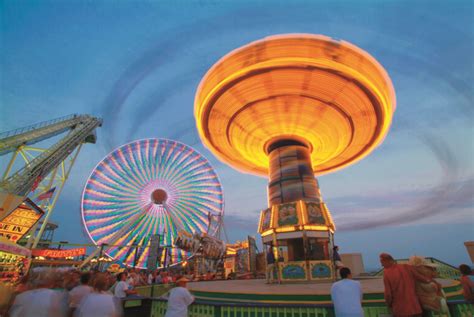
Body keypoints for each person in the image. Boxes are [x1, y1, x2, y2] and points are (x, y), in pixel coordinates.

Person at [380, 253, 432, 317]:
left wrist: (388, 304)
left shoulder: (386, 273)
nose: (381, 265)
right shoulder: (407, 267)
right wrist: (430, 280)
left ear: (388, 261)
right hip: (415, 308)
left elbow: (388, 294)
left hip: (400, 311)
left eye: (382, 262)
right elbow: (423, 279)